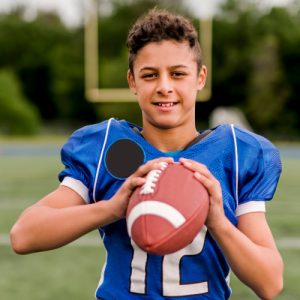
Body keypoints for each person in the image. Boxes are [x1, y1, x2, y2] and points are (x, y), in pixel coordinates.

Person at [10, 8, 283, 300]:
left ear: (200, 78)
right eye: (150, 75)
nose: (165, 87)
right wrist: (111, 208)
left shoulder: (236, 154)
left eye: (178, 74)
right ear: (132, 82)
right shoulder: (107, 148)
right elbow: (23, 235)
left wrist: (217, 220)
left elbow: (269, 284)